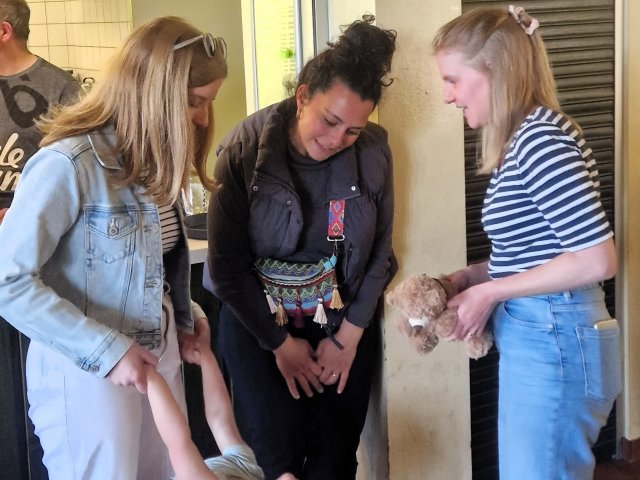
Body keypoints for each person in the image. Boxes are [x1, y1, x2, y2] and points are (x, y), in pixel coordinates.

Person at [0, 16, 227, 480]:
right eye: (194, 102)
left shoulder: (151, 162)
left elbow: (142, 271)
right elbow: (9, 282)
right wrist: (106, 351)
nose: (204, 118)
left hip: (157, 356)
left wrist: (187, 316)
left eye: (208, 102)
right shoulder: (68, 164)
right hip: (87, 375)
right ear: (154, 93)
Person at [433, 6, 621, 480]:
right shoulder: (526, 139)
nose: (447, 95)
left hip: (556, 340)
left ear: (493, 70)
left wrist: (490, 292)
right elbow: (541, 252)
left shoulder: (540, 140)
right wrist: (474, 276)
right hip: (548, 338)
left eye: (453, 79)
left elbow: (598, 259)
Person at [208, 17, 397, 480]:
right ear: (303, 96)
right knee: (276, 461)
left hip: (342, 324)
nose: (336, 140)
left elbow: (380, 255)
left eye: (352, 130)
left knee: (335, 460)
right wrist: (279, 345)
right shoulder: (243, 148)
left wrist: (347, 339)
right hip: (258, 326)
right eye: (330, 121)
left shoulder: (374, 152)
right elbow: (226, 269)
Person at [146, 317, 264, 480]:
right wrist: (204, 355)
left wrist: (148, 375)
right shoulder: (247, 469)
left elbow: (178, 442)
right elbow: (219, 417)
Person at [0, 0, 81, 221]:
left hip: (31, 224)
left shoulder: (62, 89)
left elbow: (78, 173)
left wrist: (22, 214)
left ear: (4, 31)